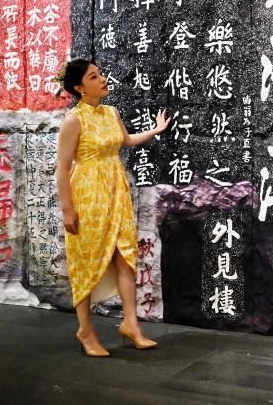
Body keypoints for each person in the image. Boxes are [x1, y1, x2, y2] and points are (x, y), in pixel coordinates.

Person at [52, 58, 171, 357]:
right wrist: (67, 209)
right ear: (79, 88)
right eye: (93, 76)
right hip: (88, 194)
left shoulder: (111, 112)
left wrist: (155, 130)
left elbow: (125, 140)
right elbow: (62, 167)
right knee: (86, 260)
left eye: (100, 73)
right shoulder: (73, 120)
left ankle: (131, 324)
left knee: (125, 256)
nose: (102, 79)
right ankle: (85, 330)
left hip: (117, 190)